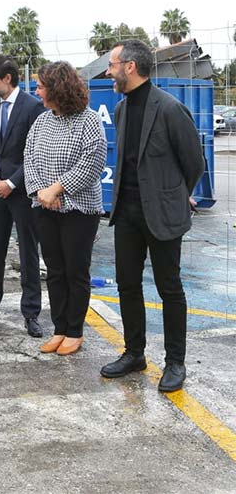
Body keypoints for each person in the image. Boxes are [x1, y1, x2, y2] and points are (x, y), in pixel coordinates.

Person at [99, 40, 205, 392]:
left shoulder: (171, 109)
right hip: (126, 215)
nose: (109, 71)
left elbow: (194, 164)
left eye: (113, 64)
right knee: (127, 285)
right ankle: (135, 353)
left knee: (169, 288)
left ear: (130, 67)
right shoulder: (122, 109)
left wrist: (172, 196)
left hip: (162, 216)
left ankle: (175, 362)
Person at [24, 61, 107, 356]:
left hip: (79, 210)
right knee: (55, 271)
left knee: (75, 270)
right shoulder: (42, 121)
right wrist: (40, 192)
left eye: (41, 86)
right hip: (45, 208)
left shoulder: (89, 121)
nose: (36, 90)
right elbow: (28, 157)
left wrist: (57, 189)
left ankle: (75, 330)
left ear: (57, 88)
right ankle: (59, 328)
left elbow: (91, 163)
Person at [0, 55, 45, 338]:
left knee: (28, 253)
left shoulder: (32, 107)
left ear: (7, 79)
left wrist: (12, 183)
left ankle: (31, 314)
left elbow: (36, 152)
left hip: (23, 192)